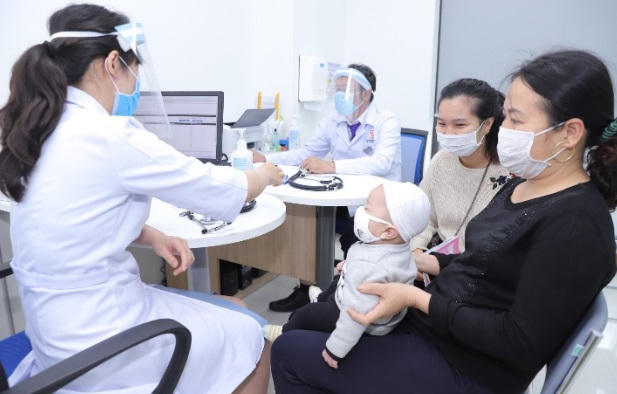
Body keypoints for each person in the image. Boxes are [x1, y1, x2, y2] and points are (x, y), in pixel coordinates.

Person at [270, 49, 617, 394]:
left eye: (515, 120)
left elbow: (518, 340)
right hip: (441, 326)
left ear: (570, 133)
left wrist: (415, 298)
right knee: (312, 320)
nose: (504, 130)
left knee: (288, 352)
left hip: (468, 367)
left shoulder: (576, 225)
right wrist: (421, 261)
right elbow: (484, 262)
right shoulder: (523, 185)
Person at [0, 4, 284, 393]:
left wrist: (151, 235)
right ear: (112, 64)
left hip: (55, 338)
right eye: (134, 70)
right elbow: (221, 189)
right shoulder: (109, 135)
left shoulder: (36, 130)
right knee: (254, 335)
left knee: (234, 309)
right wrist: (264, 174)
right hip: (103, 346)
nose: (136, 83)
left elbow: (77, 222)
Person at [254, 64, 402, 312]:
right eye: (338, 90)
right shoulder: (333, 120)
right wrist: (267, 159)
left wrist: (332, 166)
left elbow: (382, 162)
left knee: (354, 239)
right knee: (306, 224)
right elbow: (307, 153)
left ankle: (349, 293)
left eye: (347, 90)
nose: (340, 96)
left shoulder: (386, 121)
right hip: (341, 196)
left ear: (366, 94)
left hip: (377, 203)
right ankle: (306, 289)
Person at [264, 182, 429, 370]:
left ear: (389, 231)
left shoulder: (369, 267)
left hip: (358, 319)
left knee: (305, 314)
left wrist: (336, 349)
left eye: (367, 209)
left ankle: (284, 331)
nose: (360, 211)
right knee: (335, 284)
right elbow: (376, 266)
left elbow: (355, 316)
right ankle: (321, 298)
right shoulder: (396, 248)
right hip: (367, 302)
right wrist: (351, 265)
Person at [411, 78, 510, 256]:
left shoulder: (509, 171)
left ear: (487, 125)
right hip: (437, 257)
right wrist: (417, 249)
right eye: (442, 123)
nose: (449, 133)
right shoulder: (441, 161)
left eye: (459, 125)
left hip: (481, 264)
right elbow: (425, 218)